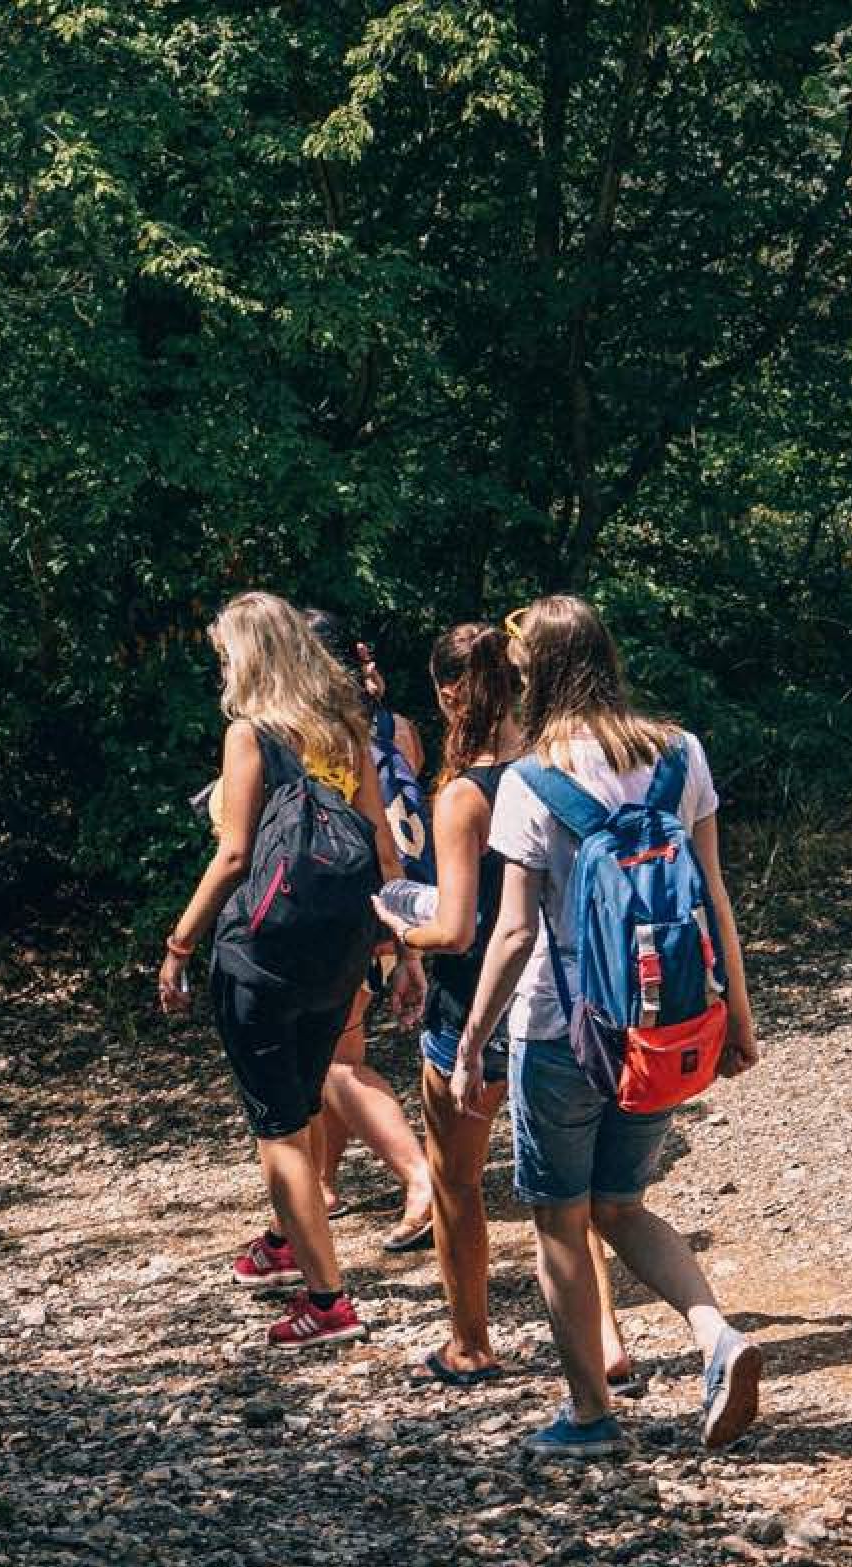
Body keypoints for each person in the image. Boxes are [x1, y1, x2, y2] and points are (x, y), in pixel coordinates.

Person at [450, 595, 763, 1460]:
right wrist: (736, 1012)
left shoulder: (528, 780)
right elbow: (713, 893)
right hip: (660, 1025)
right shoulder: (680, 751)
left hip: (560, 1030)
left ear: (533, 676)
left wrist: (473, 1041)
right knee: (623, 1205)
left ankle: (589, 1416)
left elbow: (514, 932)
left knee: (559, 1219)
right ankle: (717, 1337)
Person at [372, 621, 639, 1392]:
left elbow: (458, 929)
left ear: (450, 692)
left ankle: (471, 1342)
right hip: (565, 999)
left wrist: (398, 927)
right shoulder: (555, 767)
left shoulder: (465, 795)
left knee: (456, 1181)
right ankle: (608, 1342)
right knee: (571, 1190)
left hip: (477, 1011)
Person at [158, 592, 427, 1352]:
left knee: (276, 1128)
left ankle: (327, 1301)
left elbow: (235, 854)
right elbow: (383, 847)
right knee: (303, 1100)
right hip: (341, 948)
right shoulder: (344, 728)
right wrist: (404, 950)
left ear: (247, 656)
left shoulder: (251, 735)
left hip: (263, 950)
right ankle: (286, 1245)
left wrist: (180, 946)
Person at [300, 609, 436, 1252]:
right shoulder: (397, 726)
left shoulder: (314, 737)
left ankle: (419, 1177)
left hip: (350, 906)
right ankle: (322, 1182)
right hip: (406, 901)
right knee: (340, 1048)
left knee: (335, 1060)